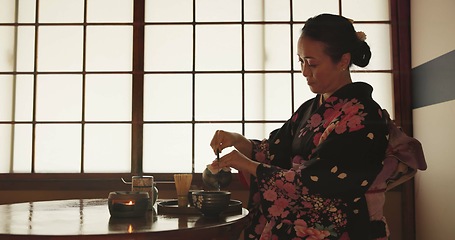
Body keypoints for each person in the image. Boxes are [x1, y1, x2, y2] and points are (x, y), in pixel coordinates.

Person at [209, 13, 389, 240]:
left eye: (312, 63)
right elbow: (272, 152)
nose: (304, 71)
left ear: (343, 61)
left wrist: (250, 166)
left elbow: (320, 183)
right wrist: (237, 140)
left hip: (340, 229)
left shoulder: (363, 115)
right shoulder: (309, 109)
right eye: (301, 61)